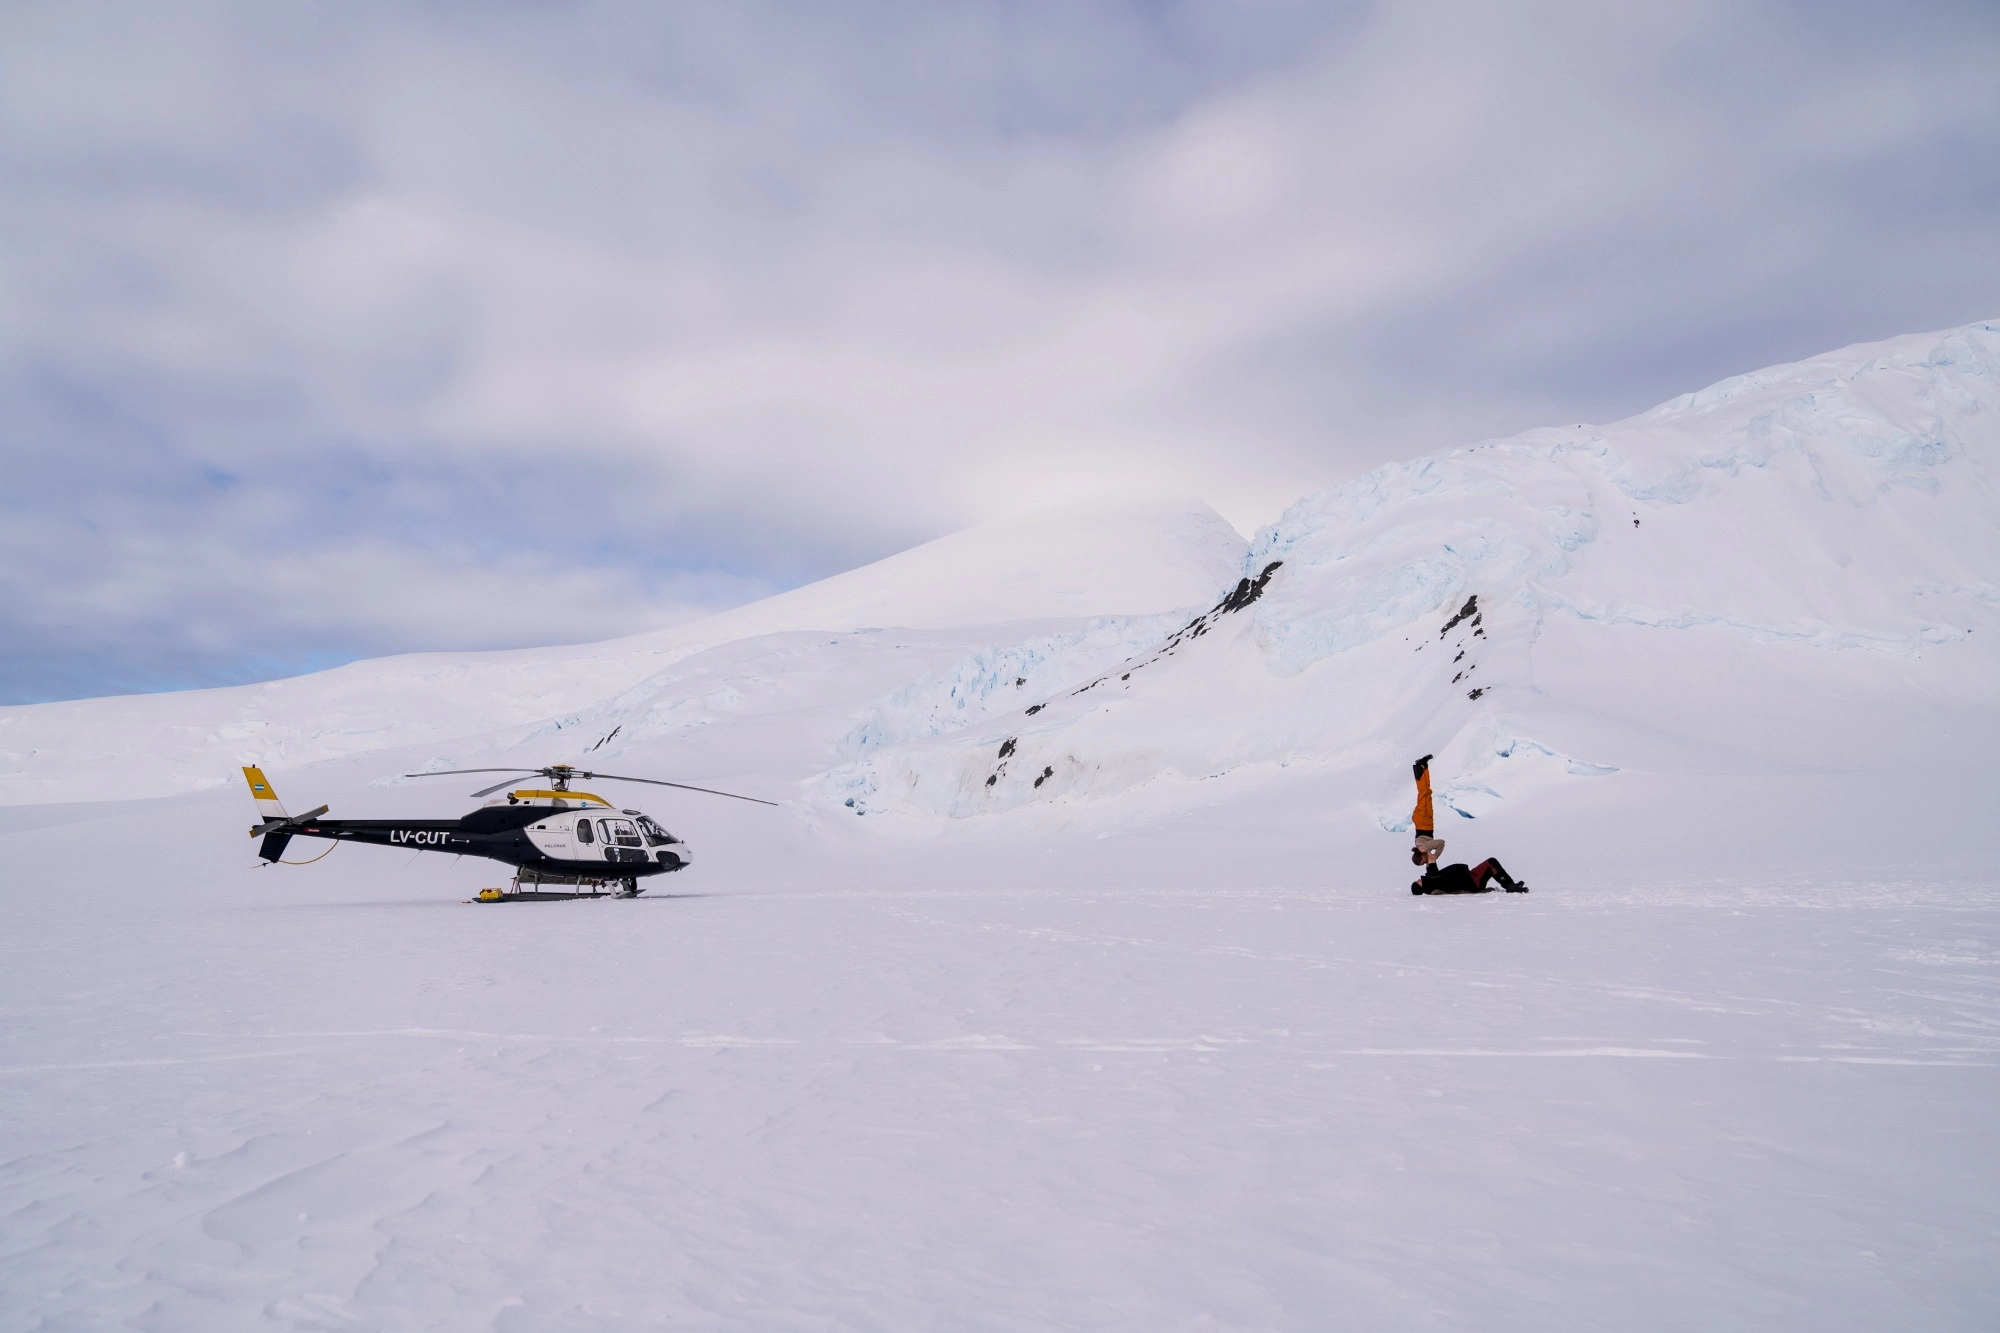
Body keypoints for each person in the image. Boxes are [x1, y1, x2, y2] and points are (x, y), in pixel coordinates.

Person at [1407, 754, 1528, 894]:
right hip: (1425, 824)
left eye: (1422, 862)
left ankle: (1421, 767)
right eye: (1418, 881)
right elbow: (1434, 872)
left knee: (1425, 794)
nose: (1420, 877)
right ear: (1421, 887)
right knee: (1425, 794)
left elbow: (1436, 855)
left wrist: (1433, 857)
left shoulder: (1423, 850)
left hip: (1424, 823)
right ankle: (1421, 767)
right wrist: (1433, 859)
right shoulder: (1431, 880)